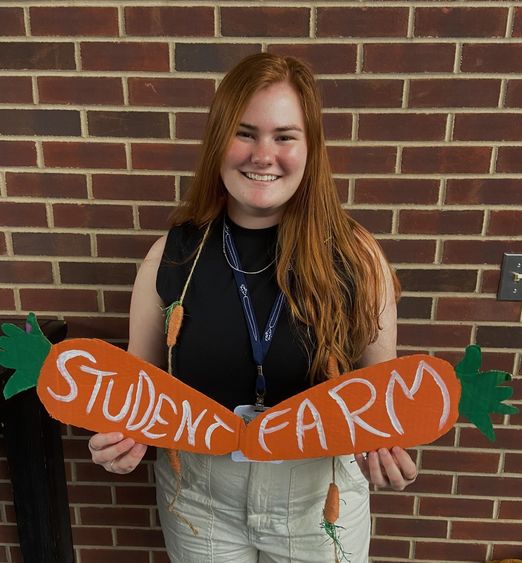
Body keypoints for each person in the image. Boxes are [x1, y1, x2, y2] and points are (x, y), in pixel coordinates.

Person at [88, 53, 417, 563]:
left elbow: (383, 388)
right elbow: (137, 386)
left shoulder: (357, 257)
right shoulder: (172, 256)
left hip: (318, 494)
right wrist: (120, 437)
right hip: (199, 493)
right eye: (245, 133)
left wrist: (389, 442)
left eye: (284, 136)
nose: (263, 154)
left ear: (310, 149)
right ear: (219, 141)